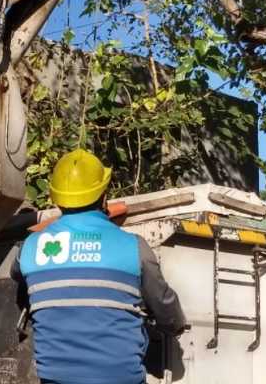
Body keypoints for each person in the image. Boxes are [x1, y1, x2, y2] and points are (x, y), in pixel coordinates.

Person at [11, 149, 187, 384]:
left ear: (56, 197)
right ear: (103, 197)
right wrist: (174, 325)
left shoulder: (30, 248)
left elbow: (17, 276)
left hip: (55, 379)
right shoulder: (133, 247)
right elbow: (165, 306)